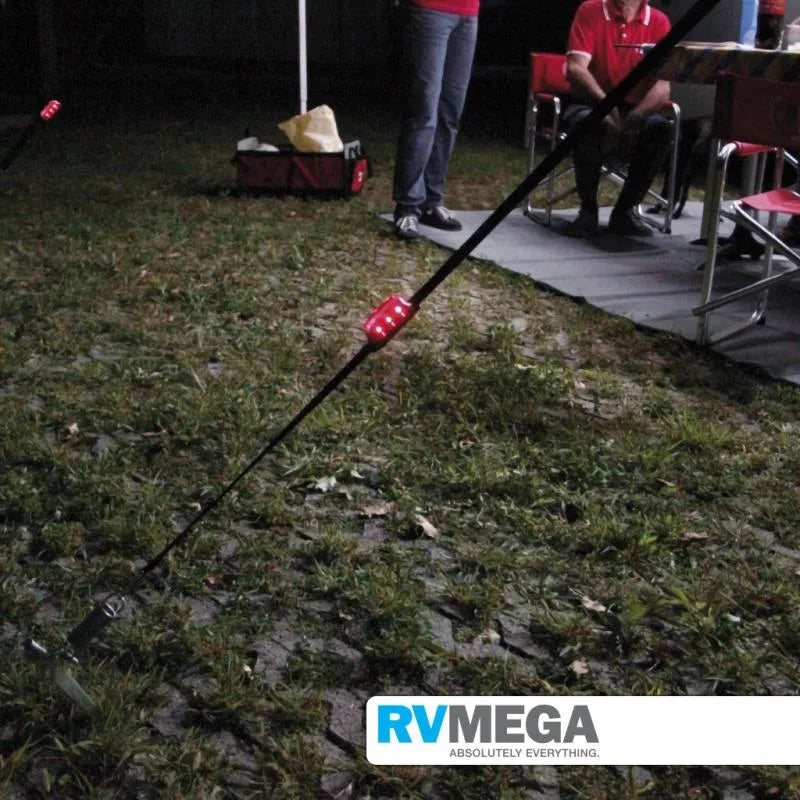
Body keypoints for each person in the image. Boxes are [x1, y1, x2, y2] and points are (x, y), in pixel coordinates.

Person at [563, 0, 673, 237]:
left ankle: (625, 212)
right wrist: (607, 107)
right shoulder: (590, 10)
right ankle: (588, 211)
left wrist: (637, 115)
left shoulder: (659, 22)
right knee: (589, 124)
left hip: (636, 108)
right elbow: (576, 69)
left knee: (661, 129)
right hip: (593, 102)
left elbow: (663, 86)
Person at [392, 0, 479, 241]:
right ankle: (408, 206)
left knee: (450, 112)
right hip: (430, 9)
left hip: (468, 12)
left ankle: (431, 201)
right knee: (424, 111)